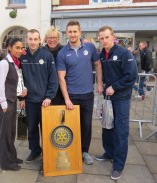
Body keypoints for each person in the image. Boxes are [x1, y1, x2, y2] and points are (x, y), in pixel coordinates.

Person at [57, 20, 103, 165]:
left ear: (80, 32)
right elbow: (61, 78)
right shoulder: (62, 53)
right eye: (69, 32)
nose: (72, 34)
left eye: (74, 31)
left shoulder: (90, 47)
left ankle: (84, 151)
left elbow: (98, 64)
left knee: (86, 125)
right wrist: (67, 99)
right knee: (69, 125)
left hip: (87, 94)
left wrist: (99, 83)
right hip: (71, 95)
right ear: (67, 33)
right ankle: (70, 150)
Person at [95, 26, 137, 180]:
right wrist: (102, 84)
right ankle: (109, 152)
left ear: (113, 37)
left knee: (120, 131)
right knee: (107, 126)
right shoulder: (102, 55)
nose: (104, 40)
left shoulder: (124, 53)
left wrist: (114, 86)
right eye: (101, 38)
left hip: (121, 99)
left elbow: (132, 76)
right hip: (108, 98)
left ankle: (118, 165)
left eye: (107, 37)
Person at [19, 29, 58, 163]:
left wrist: (49, 97)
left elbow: (53, 79)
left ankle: (48, 154)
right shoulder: (22, 56)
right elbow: (20, 79)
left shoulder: (47, 56)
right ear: (26, 40)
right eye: (30, 39)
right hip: (30, 101)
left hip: (44, 101)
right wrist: (22, 98)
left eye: (35, 39)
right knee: (32, 127)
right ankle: (35, 150)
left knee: (46, 129)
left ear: (40, 40)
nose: (33, 42)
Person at [0, 38, 27, 171]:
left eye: (21, 48)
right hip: (5, 103)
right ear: (9, 48)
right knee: (5, 134)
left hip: (12, 101)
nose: (20, 50)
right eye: (17, 48)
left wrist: (22, 92)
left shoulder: (16, 63)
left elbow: (16, 82)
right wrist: (3, 104)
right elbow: (0, 85)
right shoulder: (4, 63)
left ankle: (12, 156)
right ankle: (6, 163)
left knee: (11, 132)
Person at [43, 26, 64, 105]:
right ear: (46, 39)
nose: (52, 40)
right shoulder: (41, 52)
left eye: (54, 37)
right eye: (49, 37)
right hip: (46, 90)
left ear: (58, 39)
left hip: (62, 90)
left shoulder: (64, 51)